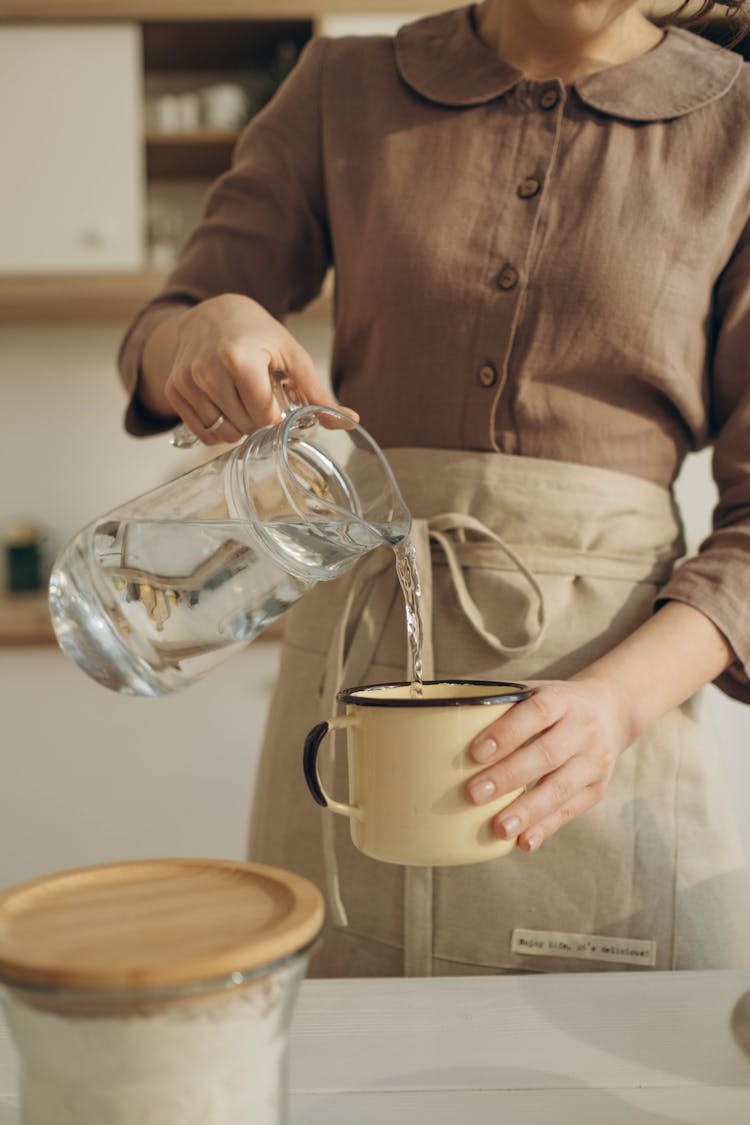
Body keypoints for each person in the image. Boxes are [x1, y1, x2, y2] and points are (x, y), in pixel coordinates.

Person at [119, 1, 750, 976]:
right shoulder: (342, 87)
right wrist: (199, 331)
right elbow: (174, 325)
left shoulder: (738, 124)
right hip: (355, 686)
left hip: (600, 718)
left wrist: (613, 710)